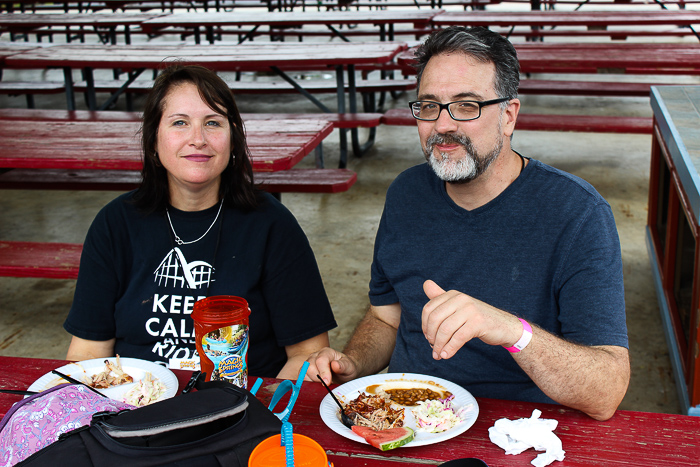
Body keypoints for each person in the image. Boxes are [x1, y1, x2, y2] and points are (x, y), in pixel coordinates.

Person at [308, 26, 630, 420]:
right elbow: (386, 317)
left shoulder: (577, 213)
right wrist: (355, 363)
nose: (443, 125)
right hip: (412, 420)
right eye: (429, 106)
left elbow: (607, 391)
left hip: (515, 433)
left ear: (509, 115)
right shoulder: (406, 193)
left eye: (466, 105)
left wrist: (512, 330)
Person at [64, 64, 337, 380]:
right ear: (154, 140)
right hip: (136, 404)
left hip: (242, 409)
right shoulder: (115, 223)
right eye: (180, 122)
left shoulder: (272, 225)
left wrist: (257, 409)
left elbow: (307, 355)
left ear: (232, 138)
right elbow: (86, 354)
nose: (198, 139)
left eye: (213, 123)